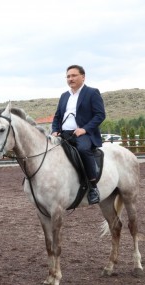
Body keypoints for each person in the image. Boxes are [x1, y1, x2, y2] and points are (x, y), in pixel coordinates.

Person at [51, 65, 105, 205]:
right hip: (64, 134)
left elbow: (100, 115)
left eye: (74, 75)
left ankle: (93, 187)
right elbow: (57, 117)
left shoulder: (92, 93)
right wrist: (54, 130)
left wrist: (85, 129)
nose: (70, 79)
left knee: (83, 150)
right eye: (68, 76)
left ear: (83, 77)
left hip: (83, 134)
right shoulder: (64, 96)